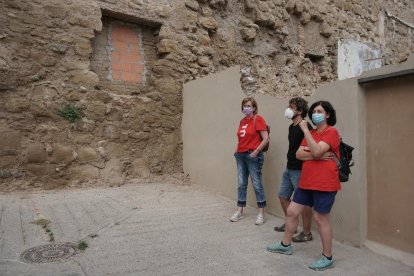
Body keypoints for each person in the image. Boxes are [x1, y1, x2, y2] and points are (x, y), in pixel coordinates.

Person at [266, 100, 340, 271]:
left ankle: (327, 257)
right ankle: (286, 245)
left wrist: (307, 134)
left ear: (327, 114)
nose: (315, 113)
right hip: (307, 181)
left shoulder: (332, 132)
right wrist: (317, 154)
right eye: (314, 110)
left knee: (321, 218)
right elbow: (299, 154)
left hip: (324, 183)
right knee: (292, 211)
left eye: (319, 110)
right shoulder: (312, 133)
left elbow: (314, 151)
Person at [274, 97, 313, 243]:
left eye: (291, 107)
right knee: (283, 196)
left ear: (300, 111)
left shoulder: (305, 126)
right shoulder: (292, 126)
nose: (288, 109)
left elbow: (311, 146)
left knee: (304, 202)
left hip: (300, 169)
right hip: (289, 167)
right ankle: (292, 224)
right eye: (288, 106)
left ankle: (307, 233)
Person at [230, 97, 269, 226]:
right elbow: (240, 139)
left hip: (252, 155)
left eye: (249, 106)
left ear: (254, 108)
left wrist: (256, 152)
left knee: (257, 184)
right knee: (241, 184)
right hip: (240, 155)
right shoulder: (242, 121)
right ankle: (240, 210)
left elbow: (265, 139)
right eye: (244, 105)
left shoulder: (258, 119)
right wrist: (236, 152)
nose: (246, 108)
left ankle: (261, 213)